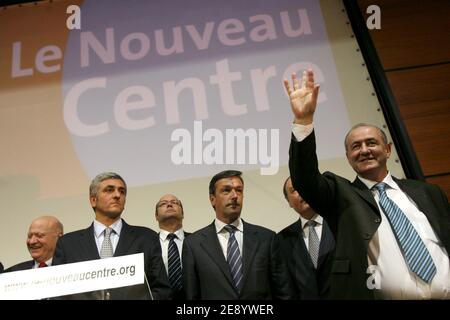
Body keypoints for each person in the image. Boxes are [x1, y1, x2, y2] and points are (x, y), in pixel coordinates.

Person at [284, 70, 450, 299]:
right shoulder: (340, 195)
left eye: (371, 143)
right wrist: (303, 121)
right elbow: (304, 177)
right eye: (355, 146)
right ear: (348, 156)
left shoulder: (428, 193)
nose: (364, 150)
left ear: (388, 149)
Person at [53, 172, 171, 300]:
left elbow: (161, 290)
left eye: (122, 191)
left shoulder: (146, 238)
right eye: (109, 190)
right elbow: (57, 294)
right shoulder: (68, 244)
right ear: (93, 200)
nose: (117, 195)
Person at [182, 170, 293, 299]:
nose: (235, 195)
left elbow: (284, 292)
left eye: (239, 190)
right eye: (226, 190)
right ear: (212, 199)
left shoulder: (267, 238)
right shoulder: (193, 244)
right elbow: (191, 297)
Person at [277, 177, 335, 299]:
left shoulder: (339, 225)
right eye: (294, 190)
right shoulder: (282, 239)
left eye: (304, 186)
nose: (302, 192)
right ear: (289, 202)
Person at [155, 193, 190, 299]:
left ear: (183, 213)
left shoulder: (197, 242)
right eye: (163, 203)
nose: (169, 205)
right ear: (156, 216)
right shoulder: (148, 245)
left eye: (174, 203)